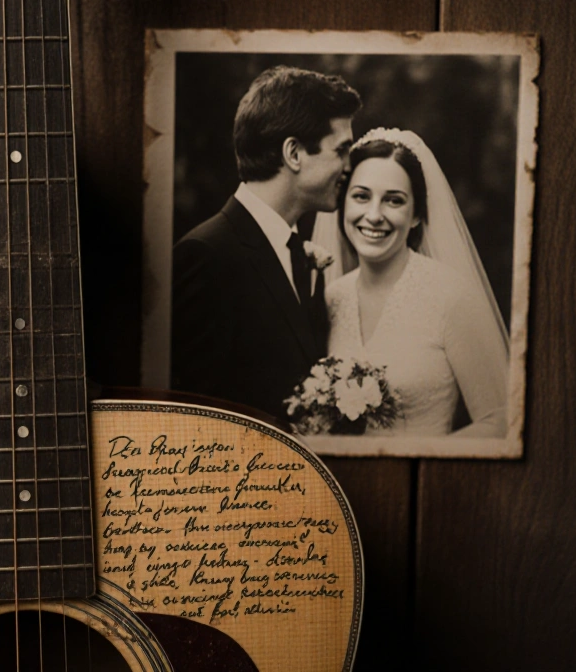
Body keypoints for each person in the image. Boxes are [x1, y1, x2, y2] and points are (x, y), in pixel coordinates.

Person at [170, 66, 361, 419]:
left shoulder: (296, 253)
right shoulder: (205, 257)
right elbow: (192, 418)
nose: (350, 166)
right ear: (294, 154)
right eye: (341, 151)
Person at [321, 128, 509, 437]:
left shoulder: (451, 296)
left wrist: (410, 463)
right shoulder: (331, 298)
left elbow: (501, 420)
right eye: (361, 196)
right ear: (343, 204)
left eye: (393, 201)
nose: (374, 215)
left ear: (416, 215)